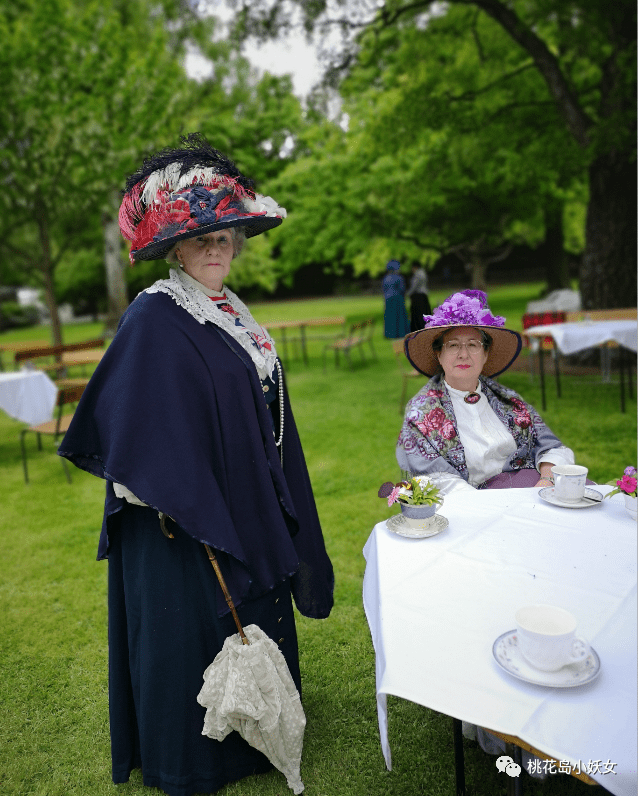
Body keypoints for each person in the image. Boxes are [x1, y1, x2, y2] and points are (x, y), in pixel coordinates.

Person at [58, 134, 334, 796]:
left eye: (226, 236)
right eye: (203, 238)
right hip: (181, 522)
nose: (218, 248)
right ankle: (197, 758)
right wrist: (185, 496)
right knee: (198, 629)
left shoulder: (233, 314)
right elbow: (130, 423)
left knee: (250, 617)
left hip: (246, 495)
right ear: (177, 248)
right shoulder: (154, 315)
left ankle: (261, 730)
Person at [397, 289, 578, 493]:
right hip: (474, 506)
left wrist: (547, 481)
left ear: (485, 354)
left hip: (536, 491)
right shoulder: (420, 413)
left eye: (473, 345)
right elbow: (437, 482)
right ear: (439, 354)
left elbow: (551, 447)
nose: (463, 354)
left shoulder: (507, 399)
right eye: (453, 345)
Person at [382, 260, 410, 338]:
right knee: (399, 316)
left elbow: (384, 289)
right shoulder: (399, 277)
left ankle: (390, 334)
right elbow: (402, 289)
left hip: (388, 299)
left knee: (390, 317)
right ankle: (400, 333)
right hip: (397, 298)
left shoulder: (385, 278)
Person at [405, 263, 432, 332]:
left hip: (418, 296)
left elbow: (414, 286)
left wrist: (408, 294)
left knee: (418, 314)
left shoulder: (417, 274)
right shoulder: (423, 273)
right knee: (424, 312)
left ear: (414, 267)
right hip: (423, 296)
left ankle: (418, 327)